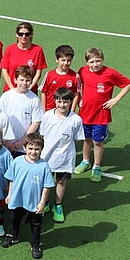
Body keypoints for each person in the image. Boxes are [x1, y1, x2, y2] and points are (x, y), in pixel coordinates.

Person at [74, 47, 130, 182]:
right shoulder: (82, 71)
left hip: (101, 115)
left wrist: (115, 99)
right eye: (92, 62)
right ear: (87, 62)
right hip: (85, 113)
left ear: (103, 60)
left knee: (97, 142)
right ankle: (85, 161)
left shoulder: (110, 73)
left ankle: (97, 166)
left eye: (98, 61)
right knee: (86, 139)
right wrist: (81, 97)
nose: (95, 65)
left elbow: (128, 83)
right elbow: (79, 84)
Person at [1, 133, 55, 259]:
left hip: (34, 201)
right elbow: (12, 179)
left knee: (35, 224)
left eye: (37, 149)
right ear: (25, 148)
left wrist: (42, 203)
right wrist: (10, 194)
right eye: (30, 148)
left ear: (41, 149)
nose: (33, 152)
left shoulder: (44, 166)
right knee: (14, 218)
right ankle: (13, 235)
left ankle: (35, 244)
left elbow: (47, 187)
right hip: (17, 198)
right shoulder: (17, 161)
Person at [40, 88, 84, 222]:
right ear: (54, 101)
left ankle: (57, 205)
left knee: (61, 181)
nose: (62, 105)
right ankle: (45, 202)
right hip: (46, 157)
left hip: (65, 158)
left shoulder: (76, 119)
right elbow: (42, 134)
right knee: (45, 181)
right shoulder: (47, 115)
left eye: (65, 102)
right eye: (59, 101)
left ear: (71, 102)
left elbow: (76, 138)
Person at [0, 66, 43, 153]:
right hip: (5, 144)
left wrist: (22, 142)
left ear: (31, 82)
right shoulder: (7, 96)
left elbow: (35, 122)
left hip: (22, 147)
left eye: (27, 80)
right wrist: (5, 141)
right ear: (15, 80)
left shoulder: (34, 99)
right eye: (21, 80)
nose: (24, 83)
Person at [0, 22, 47, 93]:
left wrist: (28, 88)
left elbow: (38, 73)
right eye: (21, 34)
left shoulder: (38, 50)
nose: (24, 36)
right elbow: (4, 71)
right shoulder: (10, 49)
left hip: (30, 91)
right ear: (16, 35)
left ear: (31, 35)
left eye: (27, 34)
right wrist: (12, 89)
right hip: (10, 90)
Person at [38, 45, 79, 111]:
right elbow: (44, 93)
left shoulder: (75, 76)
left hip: (66, 111)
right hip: (50, 111)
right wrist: (44, 111)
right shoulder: (49, 75)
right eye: (63, 60)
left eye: (69, 60)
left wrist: (72, 111)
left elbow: (76, 95)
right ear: (57, 60)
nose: (66, 63)